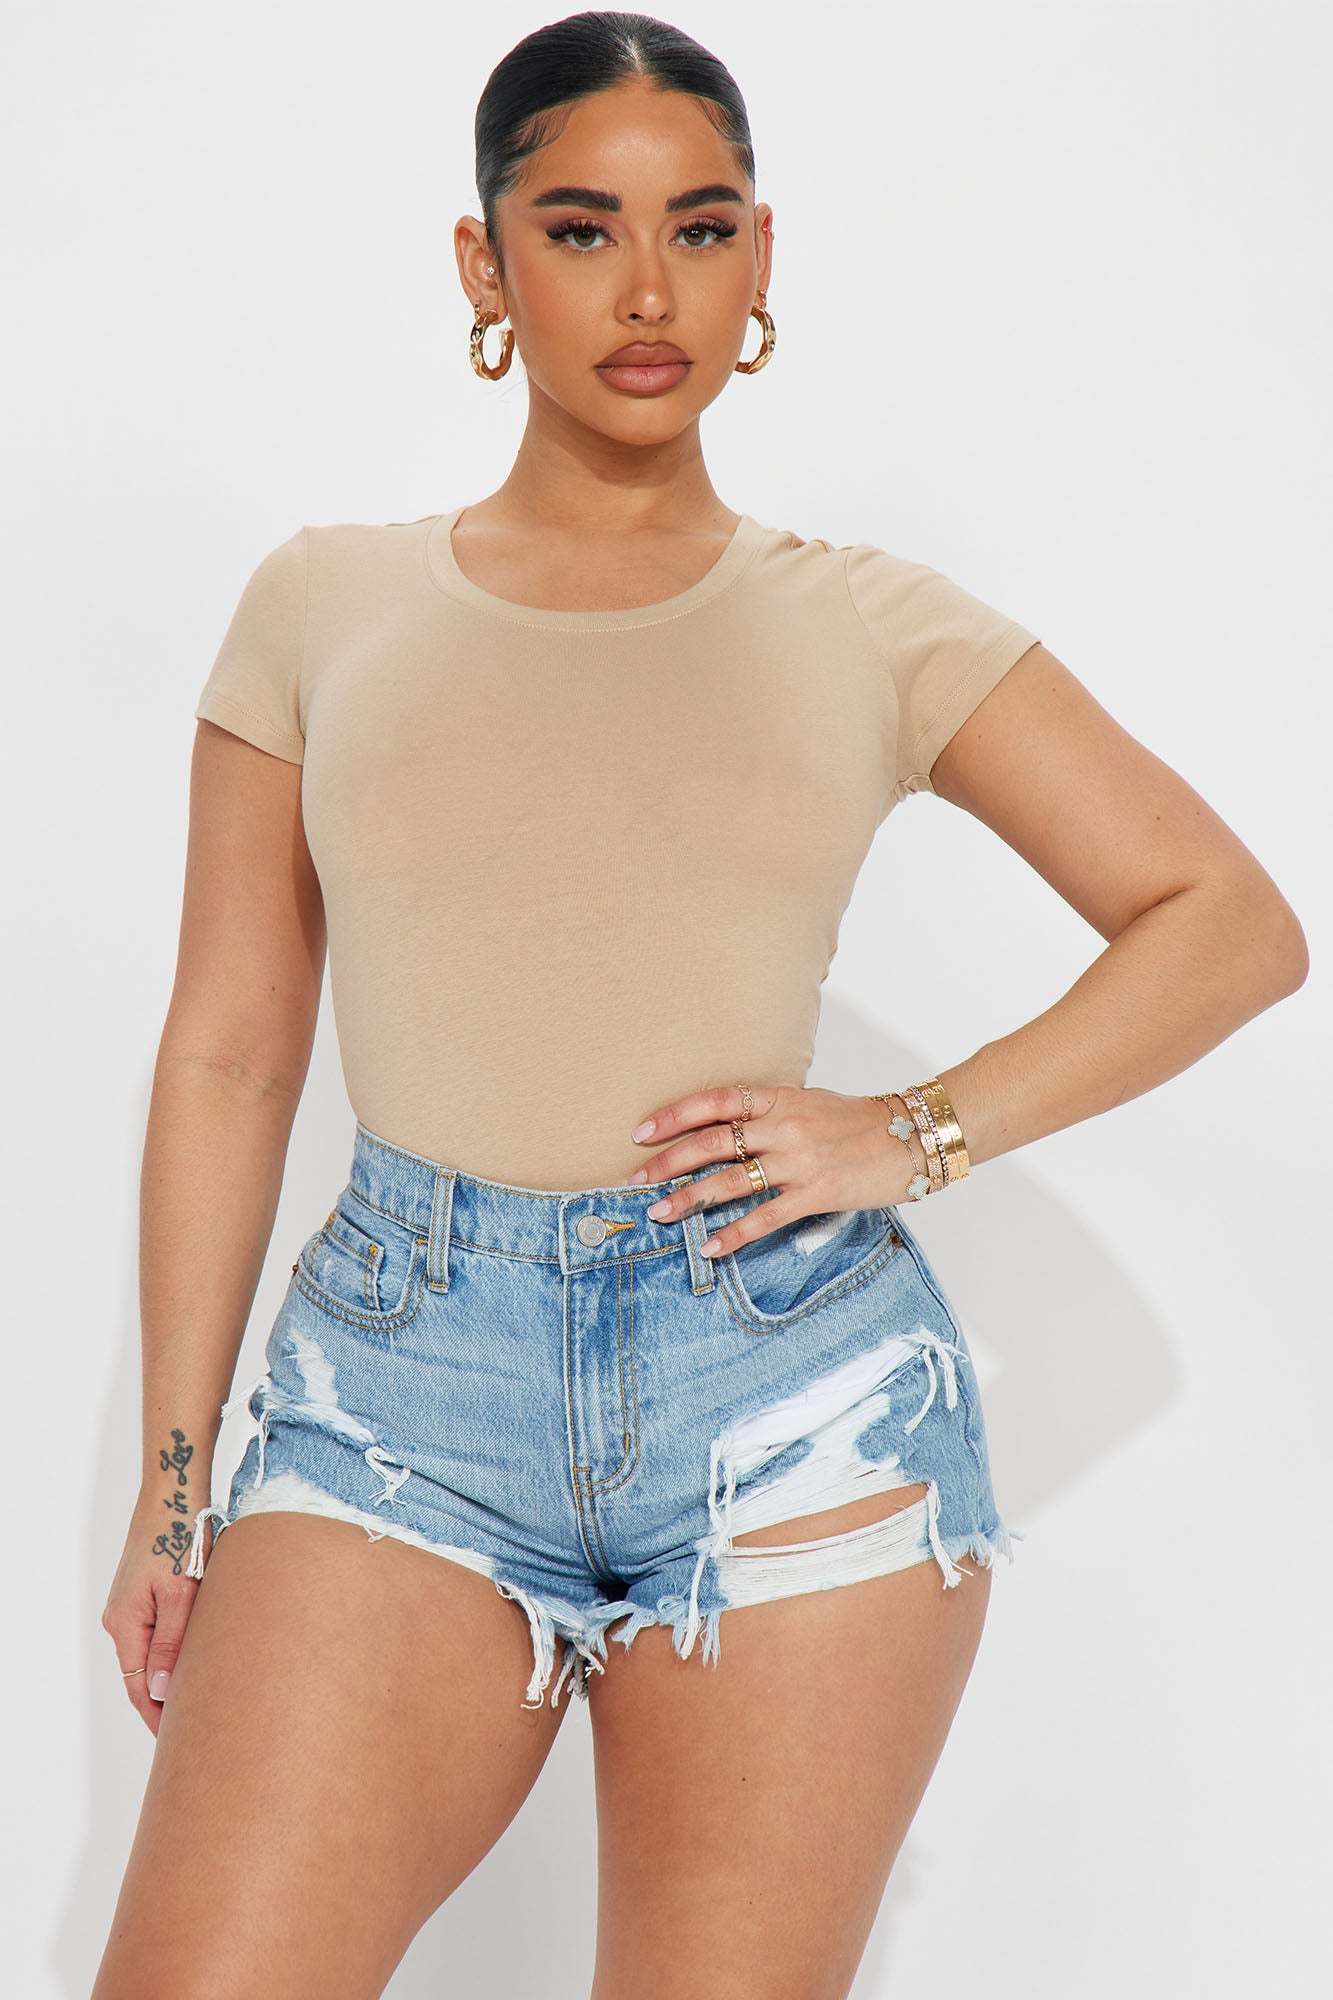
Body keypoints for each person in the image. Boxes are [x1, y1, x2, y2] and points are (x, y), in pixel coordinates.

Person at [93, 12, 1308, 1997]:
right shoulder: (323, 605)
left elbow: (1227, 920)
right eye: (580, 229)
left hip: (792, 1397)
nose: (649, 291)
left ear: (763, 259)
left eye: (703, 226)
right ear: (484, 264)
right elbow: (230, 1051)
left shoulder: (867, 623)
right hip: (399, 1396)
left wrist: (909, 1133)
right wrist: (170, 1493)